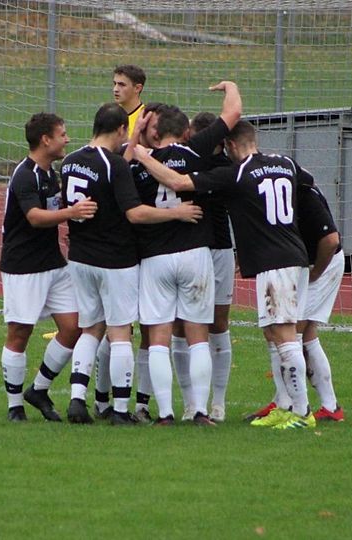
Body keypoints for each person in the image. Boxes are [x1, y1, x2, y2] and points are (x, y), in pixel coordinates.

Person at [133, 120, 316, 430]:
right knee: (274, 333)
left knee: (285, 336)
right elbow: (309, 185)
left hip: (274, 260)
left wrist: (141, 154)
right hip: (292, 253)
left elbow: (177, 182)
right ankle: (286, 406)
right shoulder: (285, 163)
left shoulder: (237, 173)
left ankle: (302, 412)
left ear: (230, 145)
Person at [61, 102, 203, 425]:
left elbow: (108, 176)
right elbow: (135, 213)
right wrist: (176, 213)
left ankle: (77, 400)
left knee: (91, 329)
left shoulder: (70, 162)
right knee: (121, 332)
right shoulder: (115, 164)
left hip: (80, 257)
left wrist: (134, 137)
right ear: (120, 130)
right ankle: (122, 410)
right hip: (114, 259)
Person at [124, 83, 241, 426]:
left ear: (154, 131)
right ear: (185, 131)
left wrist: (136, 141)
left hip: (155, 257)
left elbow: (126, 194)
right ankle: (201, 411)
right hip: (195, 254)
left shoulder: (137, 165)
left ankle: (165, 413)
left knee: (159, 339)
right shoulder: (197, 154)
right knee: (198, 337)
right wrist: (230, 86)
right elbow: (233, 112)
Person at [0, 112, 98, 422]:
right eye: (62, 134)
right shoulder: (25, 175)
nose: (67, 139)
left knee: (75, 327)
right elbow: (35, 217)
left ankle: (39, 389)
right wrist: (72, 213)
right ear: (45, 140)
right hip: (23, 267)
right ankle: (15, 406)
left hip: (54, 264)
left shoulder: (50, 173)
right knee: (20, 332)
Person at [246, 180, 346, 424]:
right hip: (301, 264)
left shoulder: (304, 192)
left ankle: (290, 404)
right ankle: (326, 406)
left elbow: (331, 240)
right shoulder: (280, 186)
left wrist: (316, 272)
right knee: (293, 332)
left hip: (323, 263)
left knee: (291, 332)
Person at [171, 111, 235, 422]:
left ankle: (218, 403)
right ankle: (190, 403)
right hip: (187, 249)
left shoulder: (227, 168)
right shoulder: (184, 160)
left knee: (217, 324)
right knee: (180, 325)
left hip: (219, 250)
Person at [112, 64, 146, 137]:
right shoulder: (110, 116)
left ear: (137, 88)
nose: (115, 89)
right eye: (115, 84)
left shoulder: (145, 119)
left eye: (122, 85)